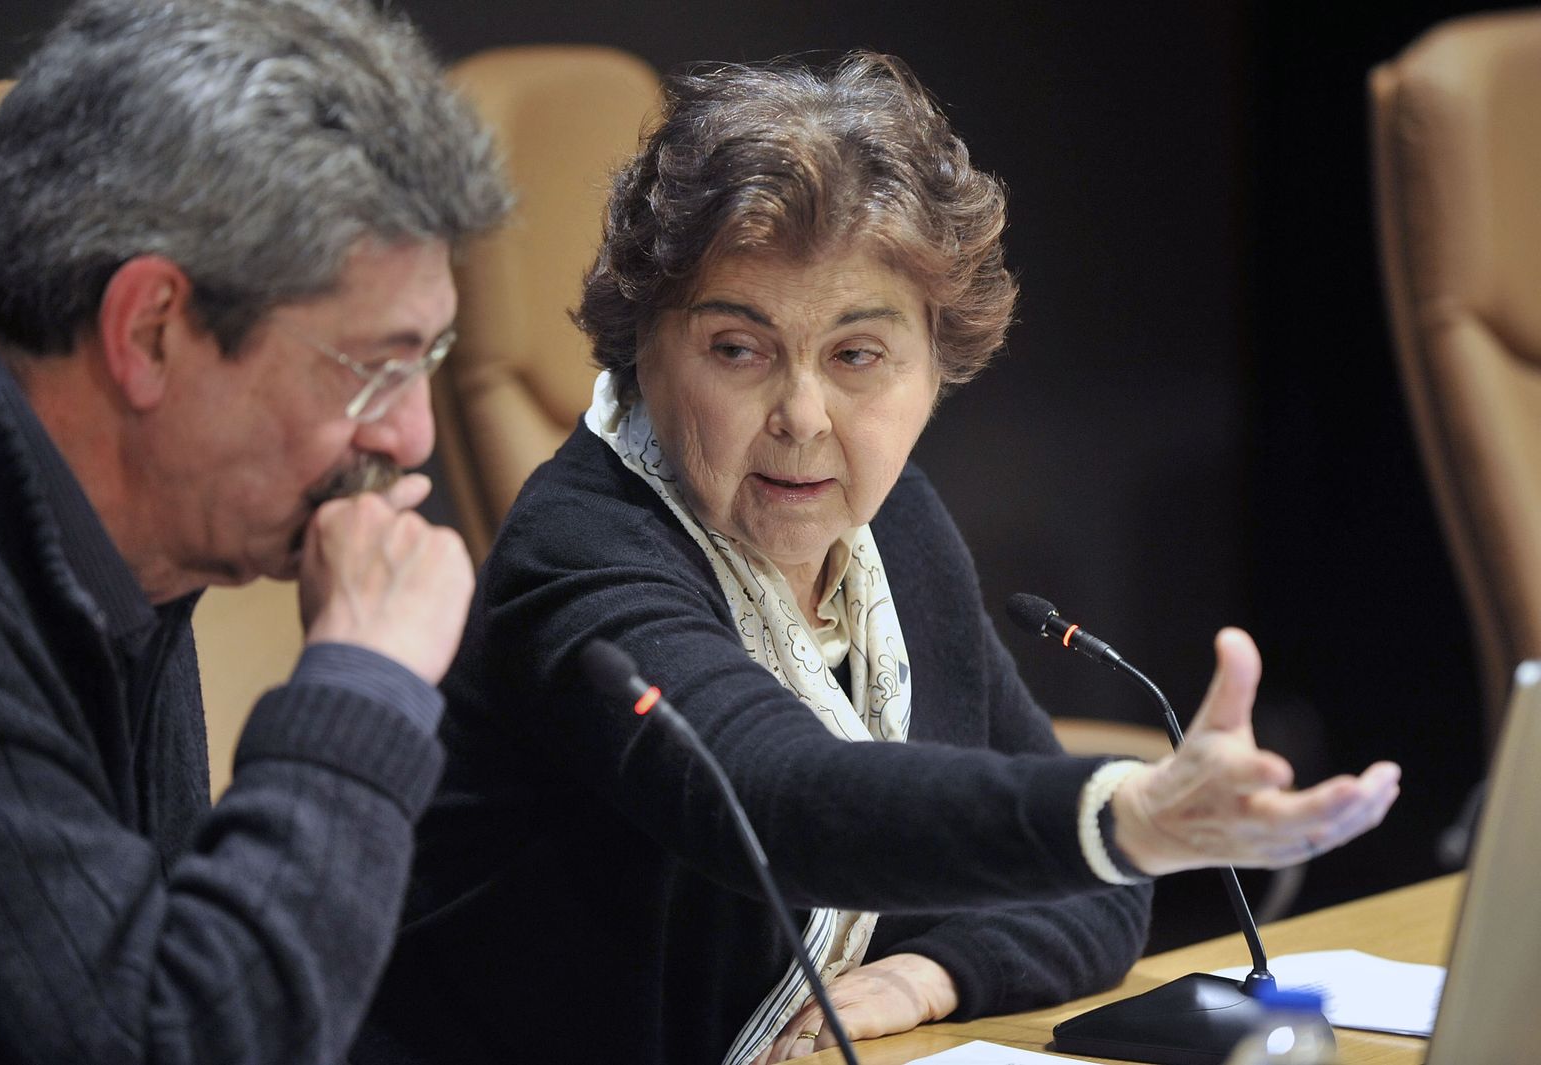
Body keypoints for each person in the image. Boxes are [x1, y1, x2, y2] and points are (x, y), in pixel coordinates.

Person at [359, 53, 1399, 1065]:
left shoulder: (892, 529)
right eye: (738, 349)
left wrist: (930, 976)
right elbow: (776, 798)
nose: (802, 418)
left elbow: (1092, 890)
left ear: (938, 366)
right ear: (644, 346)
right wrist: (1126, 813)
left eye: (857, 355)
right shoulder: (580, 553)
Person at [0, 1, 507, 1061]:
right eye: (375, 366)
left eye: (427, 362)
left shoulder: (139, 524)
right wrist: (360, 684)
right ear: (151, 331)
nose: (413, 435)